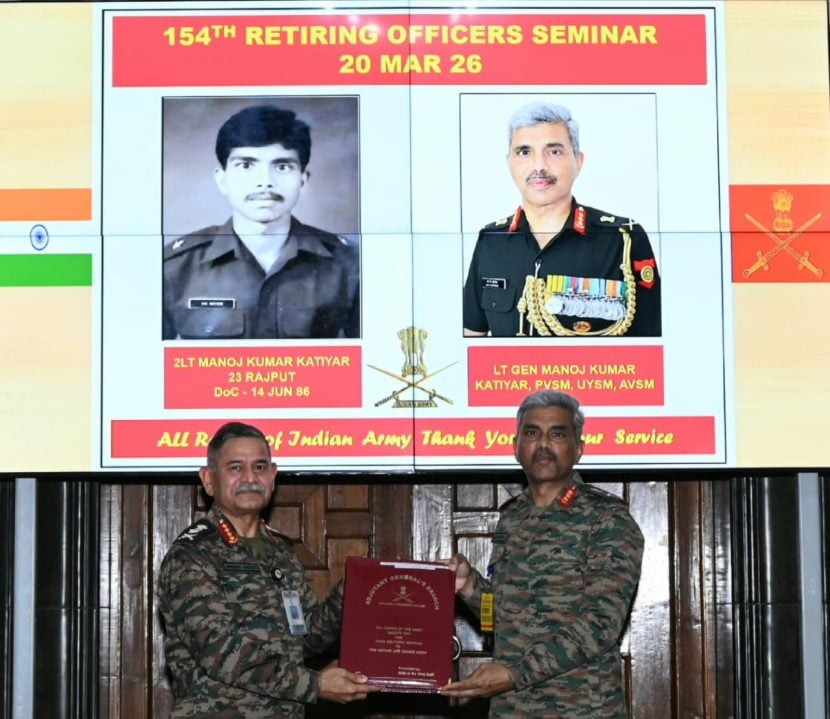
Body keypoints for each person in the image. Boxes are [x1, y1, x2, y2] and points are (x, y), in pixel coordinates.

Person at [439, 390, 644, 717]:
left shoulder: (607, 518)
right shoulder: (512, 517)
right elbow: (508, 618)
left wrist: (512, 675)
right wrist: (469, 587)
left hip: (582, 710)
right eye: (532, 433)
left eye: (557, 434)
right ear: (516, 446)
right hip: (512, 709)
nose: (543, 444)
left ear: (578, 449)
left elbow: (601, 624)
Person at [157, 422, 378, 717]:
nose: (250, 477)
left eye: (260, 467)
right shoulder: (191, 555)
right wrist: (315, 685)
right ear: (208, 480)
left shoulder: (281, 552)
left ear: (273, 477)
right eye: (235, 468)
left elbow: (304, 638)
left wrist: (350, 593)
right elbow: (220, 652)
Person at [463, 101, 661, 337]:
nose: (539, 166)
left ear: (579, 161)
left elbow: (651, 345)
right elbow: (472, 337)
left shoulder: (621, 240)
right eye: (524, 152)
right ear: (510, 163)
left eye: (554, 151)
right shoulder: (492, 240)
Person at [163, 104, 360, 339]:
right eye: (246, 165)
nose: (265, 181)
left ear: (303, 181)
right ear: (222, 180)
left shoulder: (349, 264)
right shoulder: (174, 266)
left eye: (283, 166)